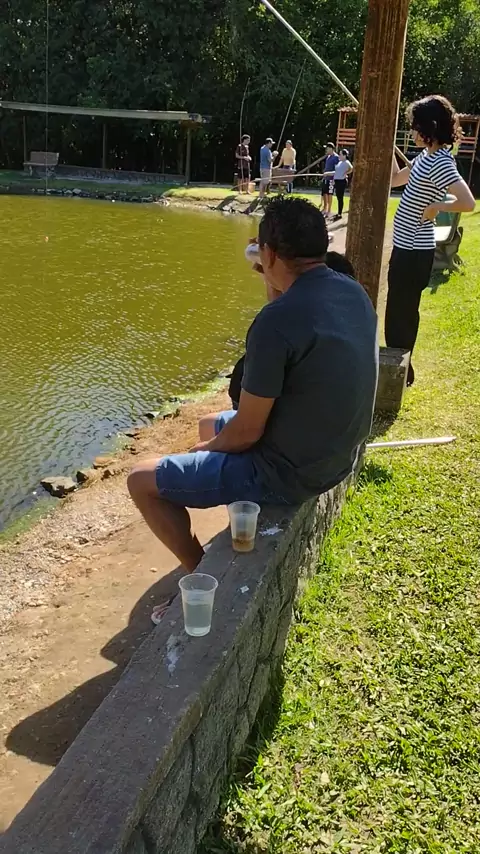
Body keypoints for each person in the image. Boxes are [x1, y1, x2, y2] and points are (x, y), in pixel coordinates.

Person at [127, 197, 378, 606]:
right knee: (209, 422)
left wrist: (206, 450)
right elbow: (292, 320)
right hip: (336, 457)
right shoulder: (351, 291)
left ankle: (203, 574)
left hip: (290, 474)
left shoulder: (275, 322)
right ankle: (226, 514)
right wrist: (274, 277)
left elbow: (246, 431)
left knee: (141, 479)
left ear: (270, 254)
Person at [387, 95, 475, 386]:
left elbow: (467, 202)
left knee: (401, 313)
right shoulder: (424, 157)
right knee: (397, 311)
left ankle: (401, 372)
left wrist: (437, 206)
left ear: (430, 127)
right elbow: (395, 179)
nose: (412, 131)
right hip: (404, 246)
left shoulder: (440, 162)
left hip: (415, 251)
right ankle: (399, 368)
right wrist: (386, 147)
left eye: (416, 126)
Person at [228, 250, 357, 409]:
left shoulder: (282, 327)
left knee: (209, 421)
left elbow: (248, 419)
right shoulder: (349, 319)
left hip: (270, 414)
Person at [322, 148, 353, 220]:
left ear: (344, 156)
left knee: (340, 197)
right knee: (338, 197)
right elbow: (336, 172)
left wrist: (346, 173)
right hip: (337, 181)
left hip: (342, 181)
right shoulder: (340, 162)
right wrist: (327, 173)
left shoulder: (346, 162)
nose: (339, 156)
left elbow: (351, 168)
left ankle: (339, 214)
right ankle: (339, 212)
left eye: (340, 154)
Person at [321, 142, 339, 216]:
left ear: (331, 149)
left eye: (327, 148)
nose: (326, 150)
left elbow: (337, 170)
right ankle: (325, 208)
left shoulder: (336, 157)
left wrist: (334, 178)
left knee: (330, 194)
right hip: (326, 178)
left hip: (331, 179)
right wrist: (324, 176)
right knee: (324, 193)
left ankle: (329, 210)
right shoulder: (328, 157)